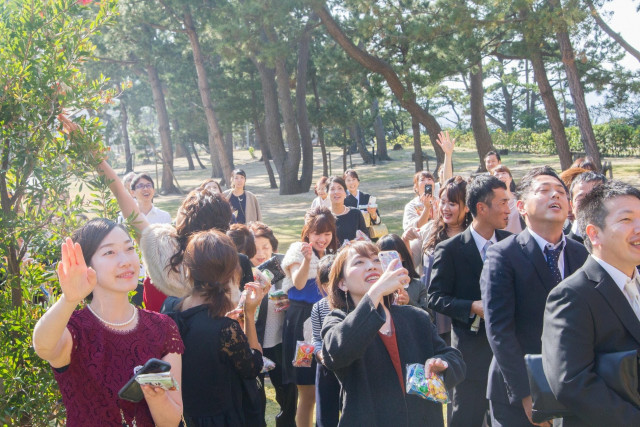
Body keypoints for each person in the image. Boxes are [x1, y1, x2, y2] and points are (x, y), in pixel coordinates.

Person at [32, 219, 184, 426]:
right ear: (87, 265)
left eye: (129, 248)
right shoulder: (75, 330)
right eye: (109, 252)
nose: (126, 261)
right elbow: (43, 347)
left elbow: (171, 422)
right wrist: (69, 299)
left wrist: (156, 396)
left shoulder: (163, 327)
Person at [480, 166, 589, 427]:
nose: (555, 196)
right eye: (544, 190)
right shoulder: (503, 256)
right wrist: (527, 395)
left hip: (576, 387)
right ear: (521, 206)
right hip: (519, 391)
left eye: (561, 192)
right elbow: (499, 331)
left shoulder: (582, 254)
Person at [321, 241, 466, 426]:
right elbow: (336, 352)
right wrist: (376, 291)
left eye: (376, 260)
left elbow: (454, 358)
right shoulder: (337, 320)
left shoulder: (415, 317)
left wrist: (442, 364)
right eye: (359, 262)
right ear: (342, 283)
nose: (371, 266)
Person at [541, 181, 640, 426]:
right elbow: (571, 382)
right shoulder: (572, 295)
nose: (638, 227)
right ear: (594, 234)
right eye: (626, 220)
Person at [97, 160, 240, 312]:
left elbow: (120, 193)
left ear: (186, 217)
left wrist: (98, 159)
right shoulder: (228, 263)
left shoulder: (160, 247)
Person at [428, 175, 512, 427]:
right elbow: (435, 297)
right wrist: (471, 307)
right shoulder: (451, 249)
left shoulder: (511, 243)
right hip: (470, 357)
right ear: (481, 208)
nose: (509, 209)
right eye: (503, 202)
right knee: (466, 418)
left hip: (509, 355)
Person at [162, 230, 266, 426]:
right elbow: (253, 366)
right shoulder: (225, 329)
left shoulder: (169, 311)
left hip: (182, 415)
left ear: (188, 270)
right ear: (232, 272)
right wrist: (249, 315)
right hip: (222, 419)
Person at [281, 207, 338, 427]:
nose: (322, 239)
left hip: (329, 318)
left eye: (327, 234)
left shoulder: (333, 254)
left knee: (327, 386)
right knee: (307, 392)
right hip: (301, 322)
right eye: (317, 233)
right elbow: (299, 283)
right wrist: (307, 260)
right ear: (308, 232)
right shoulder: (298, 249)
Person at [405, 176, 473, 344]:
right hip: (432, 311)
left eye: (452, 203)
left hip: (462, 313)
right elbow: (410, 264)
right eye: (442, 202)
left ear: (466, 207)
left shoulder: (473, 235)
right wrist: (405, 240)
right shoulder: (429, 230)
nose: (445, 208)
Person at [248, 221, 298, 427]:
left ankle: (286, 422)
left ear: (273, 248)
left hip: (280, 343)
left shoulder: (283, 270)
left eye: (265, 247)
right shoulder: (244, 272)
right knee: (255, 397)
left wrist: (289, 303)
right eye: (255, 249)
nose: (260, 253)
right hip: (255, 344)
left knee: (288, 392)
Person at [311, 254, 340, 427]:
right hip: (326, 367)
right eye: (327, 283)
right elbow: (316, 338)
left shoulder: (354, 304)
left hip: (350, 366)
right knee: (326, 416)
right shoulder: (319, 307)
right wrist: (320, 353)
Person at [376, 233, 429, 312]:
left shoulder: (418, 286)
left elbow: (429, 317)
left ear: (403, 257)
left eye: (392, 255)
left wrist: (409, 302)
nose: (387, 261)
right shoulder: (374, 285)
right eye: (382, 256)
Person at [566, 171, 606, 244]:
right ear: (572, 206)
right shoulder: (563, 249)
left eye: (596, 197)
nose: (589, 203)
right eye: (581, 199)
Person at [327, 176, 367, 243]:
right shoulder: (324, 216)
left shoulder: (355, 214)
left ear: (345, 193)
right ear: (327, 193)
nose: (336, 192)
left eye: (340, 188)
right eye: (332, 189)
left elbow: (365, 237)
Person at [492, 165, 523, 234]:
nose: (501, 176)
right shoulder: (490, 202)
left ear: (510, 178)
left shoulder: (519, 198)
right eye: (497, 175)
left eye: (503, 173)